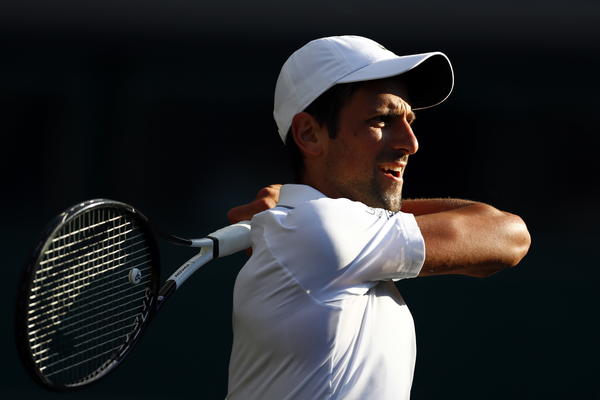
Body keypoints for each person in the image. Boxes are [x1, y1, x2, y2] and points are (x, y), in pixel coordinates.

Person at [224, 36, 531, 400]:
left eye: (409, 120)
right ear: (309, 134)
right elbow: (509, 236)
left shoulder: (309, 226)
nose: (410, 143)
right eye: (382, 119)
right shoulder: (317, 229)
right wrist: (306, 211)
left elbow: (488, 255)